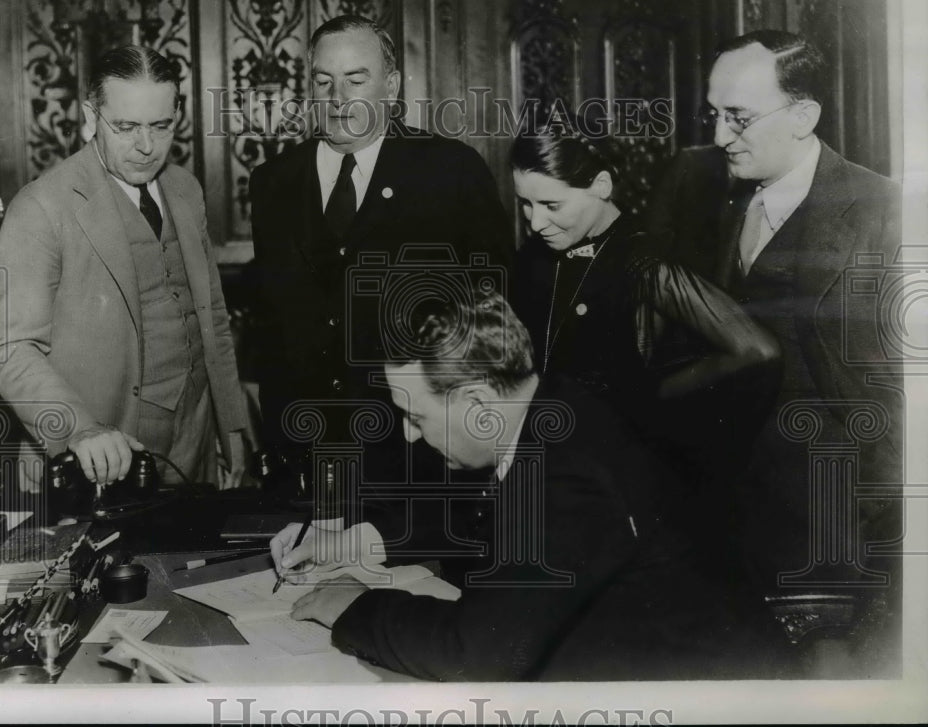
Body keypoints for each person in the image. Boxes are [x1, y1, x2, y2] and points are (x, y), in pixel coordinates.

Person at [269, 289, 785, 681]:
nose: (408, 433)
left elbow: (478, 653)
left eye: (414, 415)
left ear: (474, 404)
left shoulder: (567, 478)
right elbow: (474, 514)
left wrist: (353, 605)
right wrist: (356, 541)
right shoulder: (555, 404)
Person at [648, 31, 903, 595]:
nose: (719, 136)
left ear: (803, 115)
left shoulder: (888, 213)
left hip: (835, 532)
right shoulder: (711, 195)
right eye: (712, 115)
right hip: (727, 513)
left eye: (737, 117)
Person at [249, 15, 512, 501]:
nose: (337, 98)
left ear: (391, 87)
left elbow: (494, 313)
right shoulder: (273, 184)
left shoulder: (451, 172)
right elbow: (271, 325)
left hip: (421, 460)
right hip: (306, 462)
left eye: (355, 79)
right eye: (323, 81)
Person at [0, 45, 247, 491]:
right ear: (91, 117)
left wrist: (232, 431)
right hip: (102, 451)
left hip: (197, 436)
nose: (146, 147)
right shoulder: (41, 206)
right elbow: (9, 350)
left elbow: (214, 321)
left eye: (161, 126)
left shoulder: (186, 189)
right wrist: (78, 429)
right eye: (126, 127)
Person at [509, 125, 781, 471]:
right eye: (525, 205)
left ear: (601, 186)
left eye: (551, 205)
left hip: (618, 469)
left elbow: (758, 352)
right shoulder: (535, 254)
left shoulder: (644, 262)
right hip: (552, 455)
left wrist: (651, 396)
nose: (535, 222)